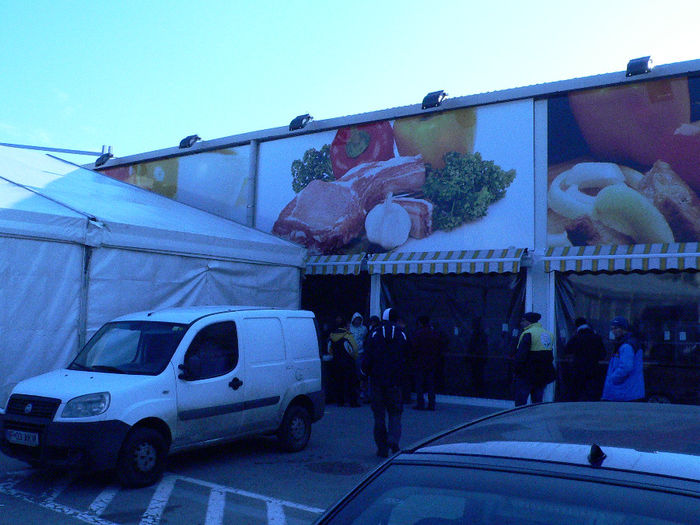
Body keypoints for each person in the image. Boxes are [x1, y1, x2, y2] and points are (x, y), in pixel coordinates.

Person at [362, 307, 409, 457]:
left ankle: (382, 448)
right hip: (395, 382)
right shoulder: (402, 334)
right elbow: (408, 357)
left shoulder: (374, 333)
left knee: (379, 416)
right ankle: (393, 438)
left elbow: (367, 356)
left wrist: (366, 372)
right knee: (395, 413)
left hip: (377, 382)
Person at [512, 312, 555, 407]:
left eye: (523, 321)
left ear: (529, 322)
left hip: (527, 374)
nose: (521, 323)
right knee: (537, 401)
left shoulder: (528, 333)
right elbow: (550, 356)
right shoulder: (548, 334)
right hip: (542, 374)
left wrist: (516, 371)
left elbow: (521, 356)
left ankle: (520, 419)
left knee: (521, 402)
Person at [602, 316, 645, 401]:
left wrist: (613, 378)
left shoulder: (626, 346)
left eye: (616, 328)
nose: (613, 331)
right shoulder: (628, 343)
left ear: (623, 329)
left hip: (624, 392)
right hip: (628, 391)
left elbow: (626, 367)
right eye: (612, 329)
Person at [565, 317, 606, 401]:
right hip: (593, 369)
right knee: (591, 393)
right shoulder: (596, 337)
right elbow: (603, 354)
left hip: (578, 369)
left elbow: (567, 350)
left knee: (578, 393)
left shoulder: (576, 338)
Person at [411, 315, 443, 410]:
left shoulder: (418, 333)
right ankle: (431, 403)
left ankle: (420, 403)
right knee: (430, 384)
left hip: (420, 361)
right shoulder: (434, 333)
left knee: (420, 384)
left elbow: (414, 347)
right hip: (431, 361)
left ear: (420, 323)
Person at [328, 316, 360, 407]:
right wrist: (354, 357)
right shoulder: (348, 335)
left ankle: (340, 401)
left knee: (339, 382)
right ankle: (353, 402)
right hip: (348, 362)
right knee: (351, 382)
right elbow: (354, 349)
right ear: (345, 326)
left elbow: (329, 349)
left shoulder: (332, 335)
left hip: (336, 362)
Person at [348, 312, 369, 402]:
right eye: (356, 320)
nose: (358, 321)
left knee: (361, 373)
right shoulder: (349, 328)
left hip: (360, 353)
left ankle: (361, 391)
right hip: (351, 353)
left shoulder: (364, 329)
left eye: (359, 320)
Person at [466, 317, 488, 395]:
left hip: (478, 358)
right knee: (477, 374)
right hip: (477, 358)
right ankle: (477, 389)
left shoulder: (478, 334)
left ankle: (478, 390)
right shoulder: (478, 334)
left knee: (477, 374)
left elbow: (474, 346)